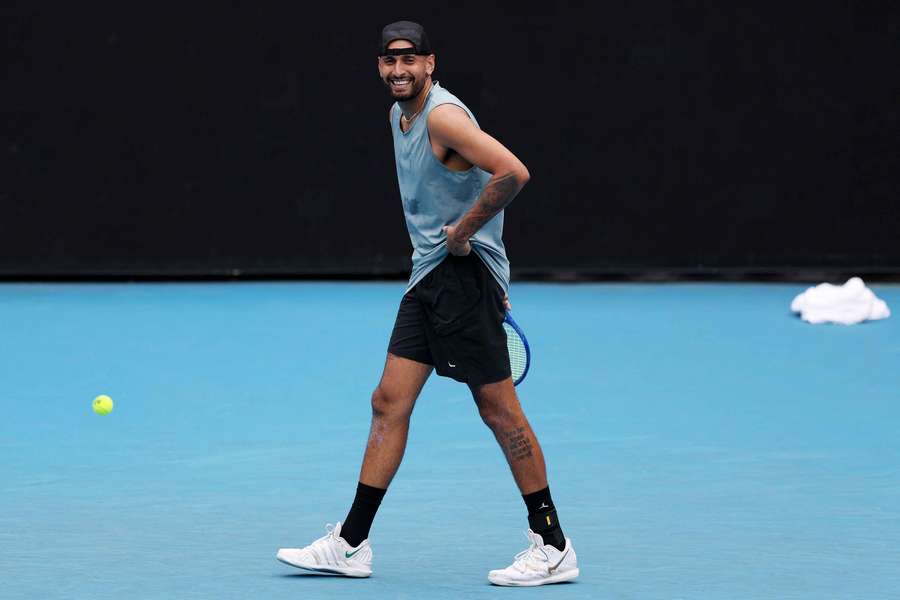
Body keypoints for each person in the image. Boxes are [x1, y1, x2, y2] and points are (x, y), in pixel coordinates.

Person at [276, 21, 578, 586]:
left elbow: (514, 171)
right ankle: (350, 543)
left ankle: (553, 544)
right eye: (390, 61)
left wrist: (465, 233)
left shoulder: (443, 118)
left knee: (499, 411)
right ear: (380, 67)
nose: (399, 70)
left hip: (463, 280)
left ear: (430, 64)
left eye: (410, 60)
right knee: (388, 401)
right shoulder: (399, 114)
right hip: (429, 278)